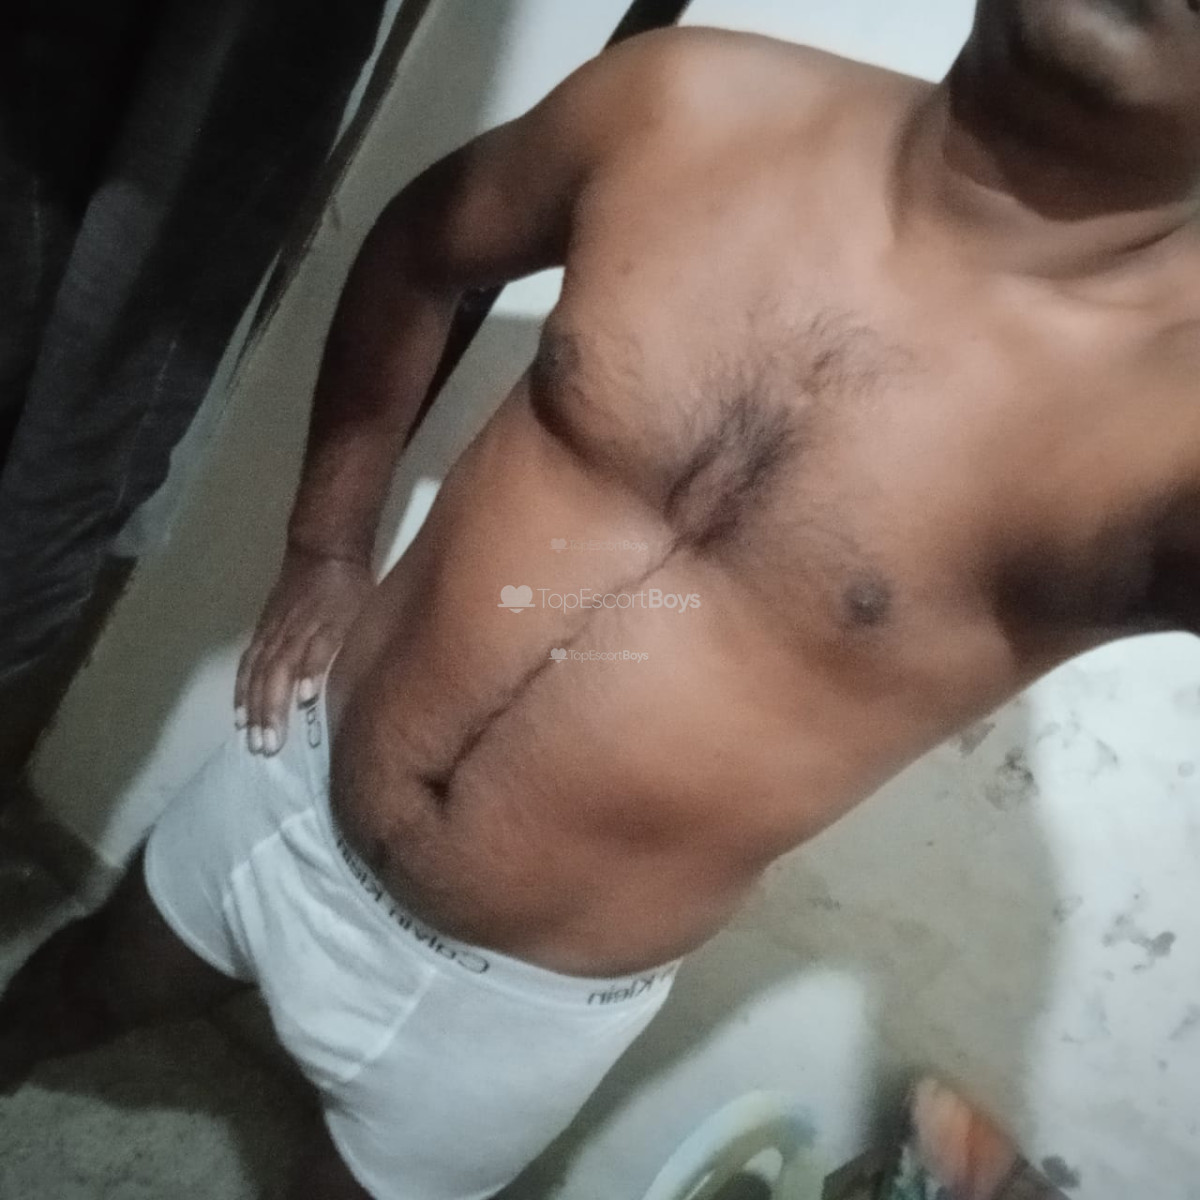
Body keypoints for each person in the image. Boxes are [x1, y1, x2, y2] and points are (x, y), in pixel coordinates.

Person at [4, 1, 1200, 1195]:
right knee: (76, 986)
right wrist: (326, 546)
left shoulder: (1175, 419)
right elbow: (424, 245)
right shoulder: (687, 100)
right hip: (292, 794)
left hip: (506, 1015)